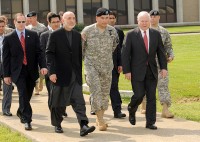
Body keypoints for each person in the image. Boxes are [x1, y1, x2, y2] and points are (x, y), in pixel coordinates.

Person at [46, 11, 95, 136]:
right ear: (63, 20)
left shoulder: (77, 35)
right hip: (59, 75)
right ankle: (57, 124)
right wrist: (51, 72)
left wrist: (79, 72)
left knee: (79, 100)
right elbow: (49, 54)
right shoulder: (55, 35)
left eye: (73, 18)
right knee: (59, 102)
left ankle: (83, 125)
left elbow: (79, 56)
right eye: (69, 18)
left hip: (75, 75)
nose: (72, 20)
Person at [121, 11, 167, 130]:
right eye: (142, 21)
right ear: (138, 21)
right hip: (136, 71)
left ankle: (150, 122)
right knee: (139, 95)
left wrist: (163, 68)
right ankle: (132, 108)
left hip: (152, 70)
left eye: (147, 21)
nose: (145, 23)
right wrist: (127, 71)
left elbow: (161, 52)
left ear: (150, 21)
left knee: (151, 96)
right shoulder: (131, 34)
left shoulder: (156, 34)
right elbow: (125, 54)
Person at [3, 13, 47, 130]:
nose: (21, 24)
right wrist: (6, 75)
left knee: (27, 95)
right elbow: (6, 58)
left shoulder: (33, 35)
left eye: (23, 22)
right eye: (19, 22)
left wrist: (43, 66)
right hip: (17, 71)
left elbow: (39, 53)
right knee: (22, 93)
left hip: (31, 70)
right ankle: (27, 120)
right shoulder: (9, 38)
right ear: (15, 22)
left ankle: (20, 111)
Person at [81, 8, 119, 131]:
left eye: (107, 18)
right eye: (102, 18)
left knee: (104, 92)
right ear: (96, 18)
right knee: (96, 91)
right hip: (91, 66)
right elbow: (81, 49)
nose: (105, 20)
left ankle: (100, 116)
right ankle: (100, 118)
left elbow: (114, 46)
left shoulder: (112, 31)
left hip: (107, 67)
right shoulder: (88, 31)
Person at [140, 10, 174, 118]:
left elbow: (168, 46)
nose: (153, 18)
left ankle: (165, 109)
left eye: (155, 17)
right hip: (146, 64)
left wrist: (171, 55)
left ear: (159, 17)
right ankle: (143, 105)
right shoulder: (143, 31)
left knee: (163, 85)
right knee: (145, 85)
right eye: (151, 17)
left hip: (161, 64)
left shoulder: (164, 32)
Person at [40, 12, 67, 117]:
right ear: (49, 23)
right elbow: (42, 53)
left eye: (58, 22)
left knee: (63, 92)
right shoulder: (44, 35)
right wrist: (44, 67)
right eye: (53, 22)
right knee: (53, 93)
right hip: (50, 69)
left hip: (64, 69)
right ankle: (55, 114)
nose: (56, 24)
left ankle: (61, 109)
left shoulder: (66, 33)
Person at [108, 11, 126, 118]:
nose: (109, 20)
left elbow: (120, 49)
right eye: (107, 17)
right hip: (99, 66)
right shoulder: (94, 31)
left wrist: (120, 63)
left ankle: (117, 110)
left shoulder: (118, 32)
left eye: (111, 18)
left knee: (114, 87)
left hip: (114, 65)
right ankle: (95, 108)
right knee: (98, 88)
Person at [26, 11, 46, 95]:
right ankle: (36, 87)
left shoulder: (42, 27)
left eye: (31, 18)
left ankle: (41, 80)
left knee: (42, 67)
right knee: (35, 68)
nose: (29, 20)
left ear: (35, 17)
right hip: (32, 52)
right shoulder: (28, 28)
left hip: (41, 50)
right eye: (29, 18)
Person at [0, 18, 13, 116]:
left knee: (7, 88)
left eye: (2, 26)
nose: (1, 28)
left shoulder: (9, 36)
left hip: (6, 65)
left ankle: (6, 109)